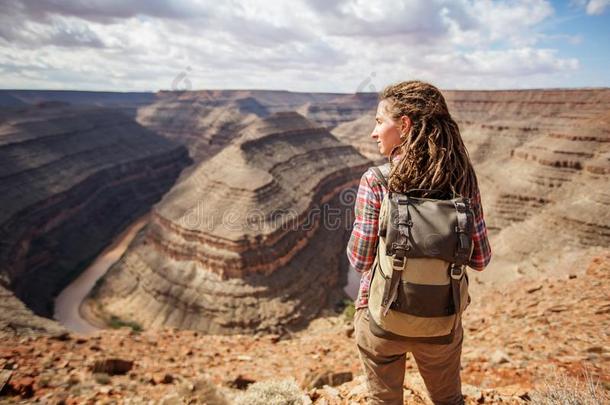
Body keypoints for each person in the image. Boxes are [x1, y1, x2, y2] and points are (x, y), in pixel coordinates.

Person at [346, 80, 492, 405]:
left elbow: (359, 259)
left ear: (404, 125)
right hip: (442, 322)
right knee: (449, 400)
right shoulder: (463, 179)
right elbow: (480, 259)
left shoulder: (376, 181)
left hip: (381, 321)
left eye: (379, 122)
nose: (374, 133)